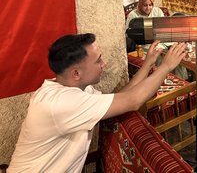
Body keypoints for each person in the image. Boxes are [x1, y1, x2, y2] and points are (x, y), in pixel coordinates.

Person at [7, 33, 186, 172]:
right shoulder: (62, 103)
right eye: (98, 60)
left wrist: (148, 64)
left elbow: (124, 96)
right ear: (76, 73)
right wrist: (166, 67)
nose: (104, 63)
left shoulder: (75, 89)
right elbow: (134, 101)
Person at [125, 0, 188, 80]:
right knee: (157, 52)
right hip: (145, 45)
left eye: (150, 5)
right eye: (145, 5)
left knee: (176, 51)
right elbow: (129, 35)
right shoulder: (133, 15)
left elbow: (163, 28)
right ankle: (161, 80)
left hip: (162, 40)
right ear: (140, 4)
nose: (148, 8)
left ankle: (179, 80)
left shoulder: (157, 11)